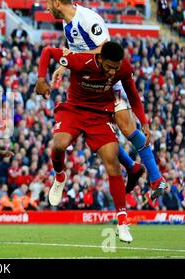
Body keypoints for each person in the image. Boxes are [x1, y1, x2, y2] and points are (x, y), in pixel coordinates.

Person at [45, 0, 166, 199]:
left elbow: (105, 49)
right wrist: (64, 66)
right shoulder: (67, 23)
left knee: (127, 127)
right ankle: (133, 167)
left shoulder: (88, 19)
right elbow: (75, 48)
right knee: (100, 130)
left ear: (56, 3)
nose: (46, 9)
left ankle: (156, 178)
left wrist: (73, 56)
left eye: (48, 4)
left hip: (108, 80)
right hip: (90, 83)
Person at [35, 41, 151, 243]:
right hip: (74, 110)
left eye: (115, 68)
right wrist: (40, 78)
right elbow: (47, 52)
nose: (112, 72)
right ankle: (60, 177)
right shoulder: (80, 61)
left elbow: (132, 94)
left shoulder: (122, 67)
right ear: (100, 58)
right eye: (108, 67)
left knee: (112, 162)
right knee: (59, 145)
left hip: (100, 116)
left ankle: (122, 222)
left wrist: (144, 121)